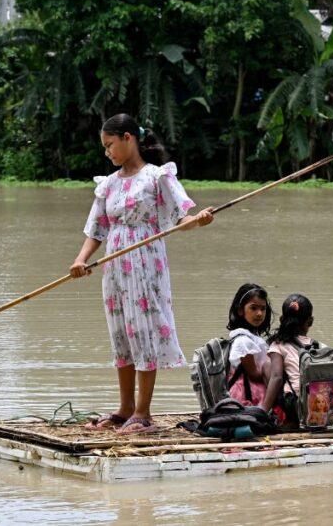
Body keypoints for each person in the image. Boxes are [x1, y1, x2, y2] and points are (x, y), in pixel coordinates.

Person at [70, 113, 214, 434]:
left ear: (128, 138)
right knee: (121, 333)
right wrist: (80, 261)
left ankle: (142, 412)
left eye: (110, 144)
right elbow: (97, 229)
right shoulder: (108, 184)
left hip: (146, 264)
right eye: (104, 146)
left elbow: (179, 219)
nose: (107, 151)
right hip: (114, 267)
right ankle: (124, 409)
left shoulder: (156, 177)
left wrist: (198, 220)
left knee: (143, 330)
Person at [262, 293, 316, 429]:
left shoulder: (278, 345)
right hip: (323, 405)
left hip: (298, 407)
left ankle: (291, 419)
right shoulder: (318, 346)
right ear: (310, 321)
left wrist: (262, 412)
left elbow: (277, 378)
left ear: (281, 320)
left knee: (267, 366)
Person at [225, 283, 274, 408]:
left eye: (263, 309)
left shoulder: (252, 338)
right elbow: (254, 375)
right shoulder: (243, 341)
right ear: (240, 310)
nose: (259, 313)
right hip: (248, 393)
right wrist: (276, 374)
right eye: (253, 308)